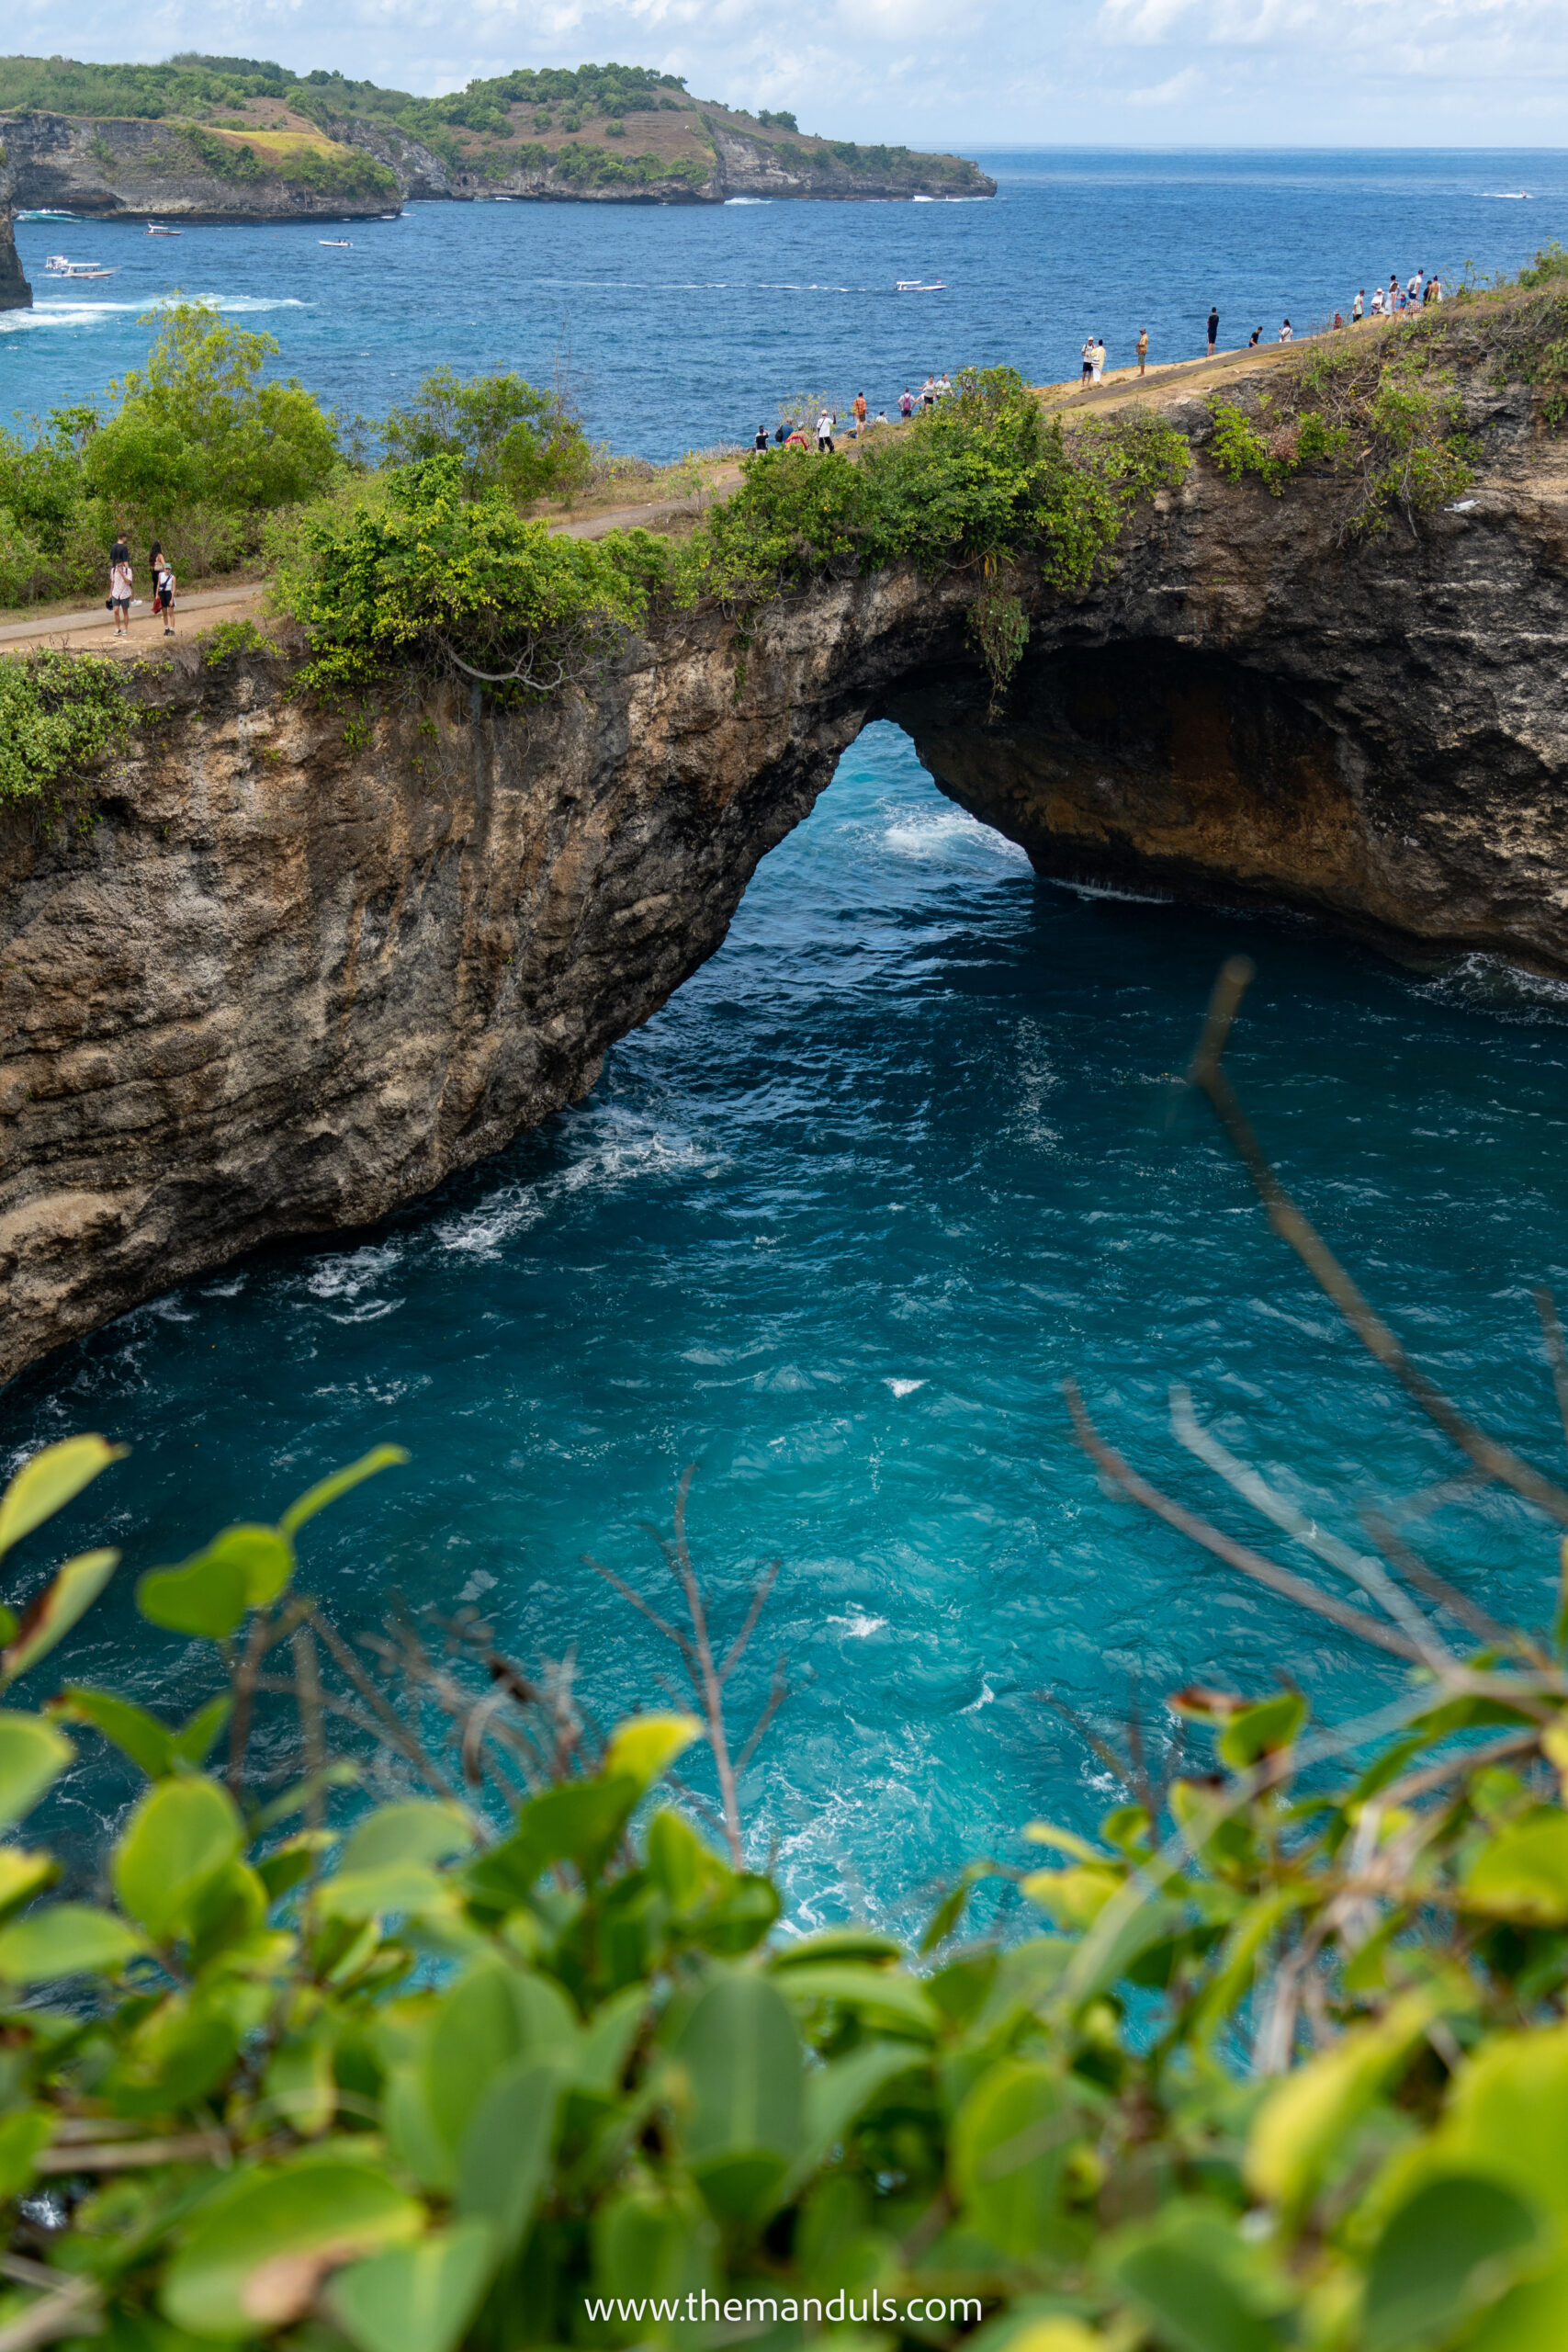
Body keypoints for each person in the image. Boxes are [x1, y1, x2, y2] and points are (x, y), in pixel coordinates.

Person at [108, 542, 132, 638]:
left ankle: (125, 628)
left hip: (125, 593)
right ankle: (118, 628)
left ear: (123, 564)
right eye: (118, 566)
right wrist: (110, 593)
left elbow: (128, 582)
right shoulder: (113, 571)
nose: (119, 567)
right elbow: (112, 582)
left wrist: (122, 574)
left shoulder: (128, 571)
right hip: (115, 593)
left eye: (120, 565)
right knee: (116, 610)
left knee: (125, 611)